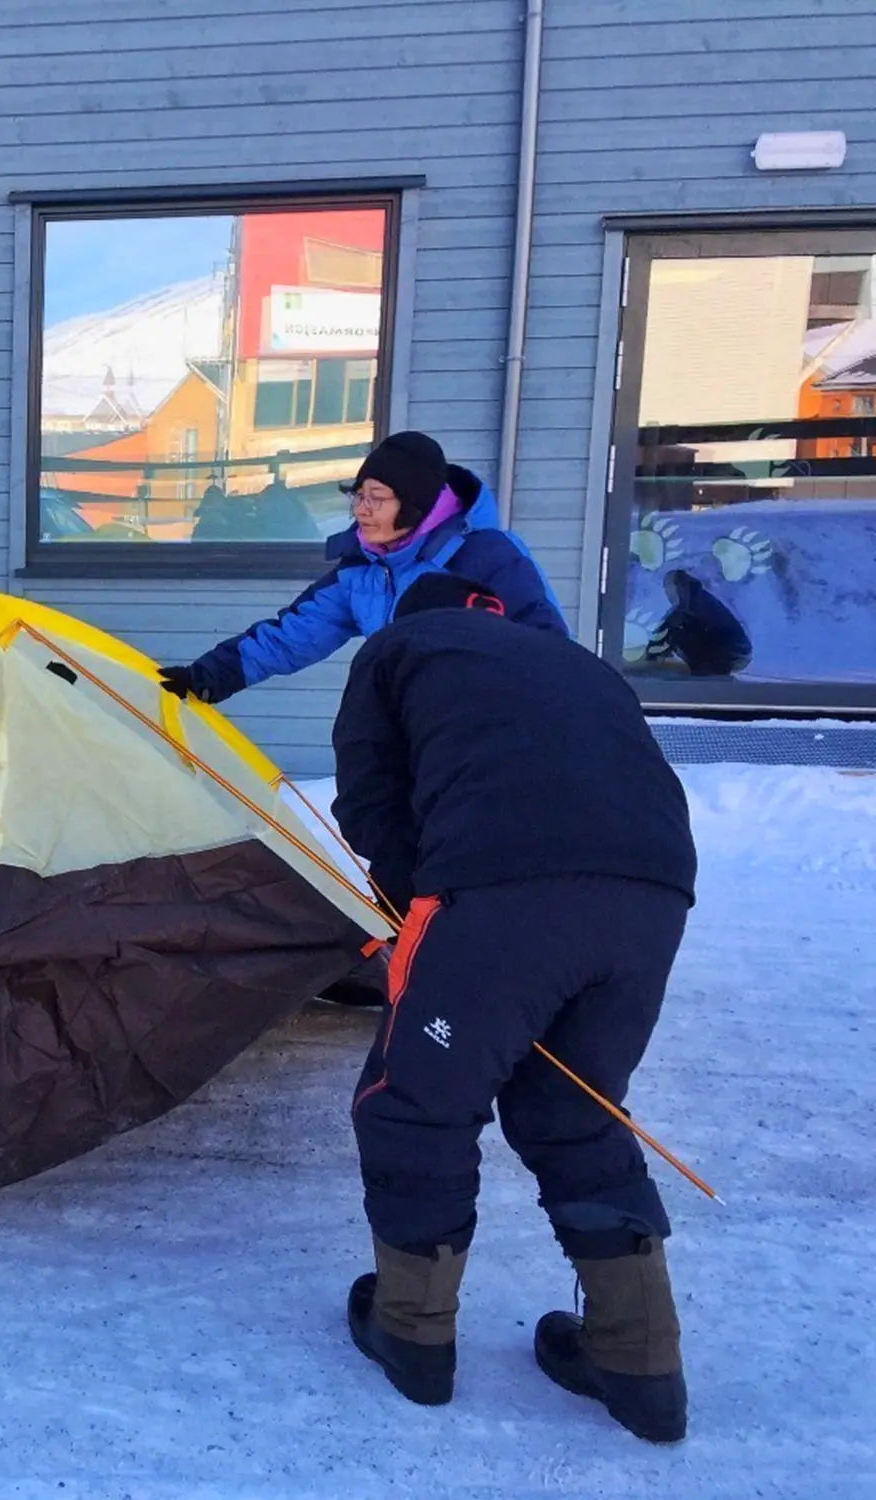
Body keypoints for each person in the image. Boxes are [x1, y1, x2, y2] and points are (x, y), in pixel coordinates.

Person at [329, 571, 698, 1443]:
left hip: (501, 888)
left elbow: (372, 800)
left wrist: (416, 902)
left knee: (416, 1104)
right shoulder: (576, 661)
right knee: (577, 1111)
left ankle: (413, 1335)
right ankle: (640, 1361)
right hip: (652, 895)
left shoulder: (395, 649)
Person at [159, 431, 568, 705]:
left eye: (377, 497)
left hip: (488, 724)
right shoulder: (365, 569)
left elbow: (544, 646)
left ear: (415, 504)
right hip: (414, 724)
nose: (361, 510)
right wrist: (206, 677)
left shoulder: (485, 555)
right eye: (357, 495)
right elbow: (292, 637)